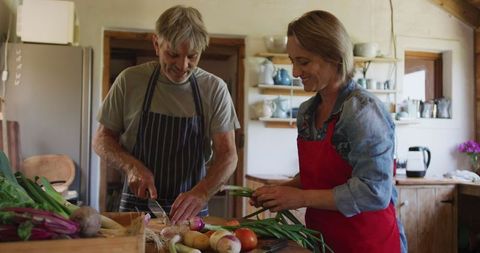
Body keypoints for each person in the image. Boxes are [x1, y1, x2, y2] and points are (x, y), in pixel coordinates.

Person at [251, 10, 407, 253]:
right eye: (292, 61)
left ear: (334, 58)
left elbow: (374, 191)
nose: (294, 72)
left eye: (303, 62)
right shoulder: (307, 113)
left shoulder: (363, 112)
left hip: (368, 242)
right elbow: (320, 177)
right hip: (323, 242)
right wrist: (282, 191)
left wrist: (300, 198)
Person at [93, 5, 239, 224]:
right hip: (136, 208)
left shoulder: (214, 89)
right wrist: (131, 166)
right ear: (156, 43)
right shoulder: (129, 81)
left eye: (192, 56)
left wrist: (202, 192)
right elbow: (101, 139)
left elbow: (228, 155)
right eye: (173, 54)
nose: (183, 66)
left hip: (191, 213)